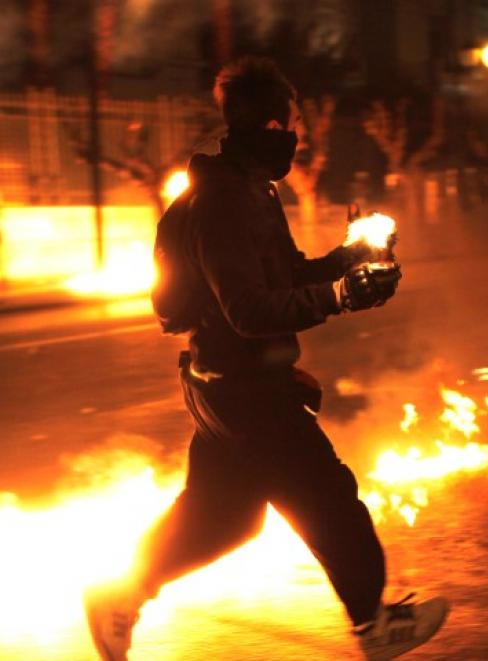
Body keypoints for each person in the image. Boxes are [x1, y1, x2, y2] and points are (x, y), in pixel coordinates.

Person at [84, 57, 448, 661]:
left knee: (224, 517)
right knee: (330, 499)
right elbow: (249, 310)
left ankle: (119, 598)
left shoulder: (250, 188)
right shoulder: (224, 202)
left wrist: (346, 261)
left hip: (225, 384)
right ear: (275, 124)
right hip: (246, 391)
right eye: (295, 122)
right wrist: (337, 298)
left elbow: (280, 276)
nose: (298, 134)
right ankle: (375, 626)